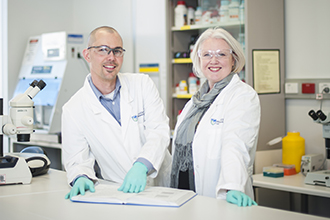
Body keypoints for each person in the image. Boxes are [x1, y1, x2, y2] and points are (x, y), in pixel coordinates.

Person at [62, 26, 171, 199]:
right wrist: (80, 177)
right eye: (103, 50)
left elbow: (159, 130)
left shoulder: (142, 84)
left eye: (117, 51)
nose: (111, 57)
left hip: (163, 187)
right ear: (87, 54)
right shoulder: (73, 109)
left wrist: (141, 166)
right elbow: (76, 159)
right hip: (120, 191)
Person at [170, 28, 260, 207]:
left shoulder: (243, 96)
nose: (214, 60)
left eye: (221, 54)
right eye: (207, 54)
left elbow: (235, 144)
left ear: (233, 59)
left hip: (220, 195)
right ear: (198, 59)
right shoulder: (196, 101)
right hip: (185, 195)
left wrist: (232, 186)